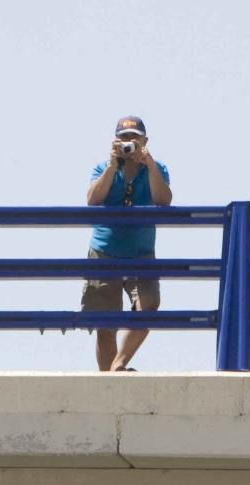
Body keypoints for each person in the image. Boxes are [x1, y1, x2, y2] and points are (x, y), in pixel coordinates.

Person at [82, 116, 172, 371]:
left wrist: (150, 165)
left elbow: (164, 201)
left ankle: (117, 366)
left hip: (141, 253)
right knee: (104, 325)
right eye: (123, 138)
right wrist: (113, 165)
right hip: (104, 251)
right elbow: (93, 200)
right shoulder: (103, 167)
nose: (128, 143)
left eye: (134, 138)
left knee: (149, 307)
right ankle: (108, 378)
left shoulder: (157, 167)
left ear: (145, 141)